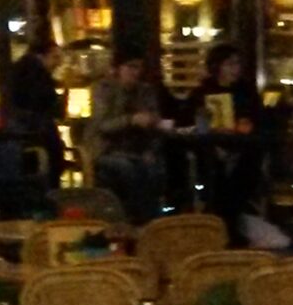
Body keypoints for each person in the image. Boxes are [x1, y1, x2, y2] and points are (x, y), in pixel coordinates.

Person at [185, 43, 266, 235]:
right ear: (217, 66)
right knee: (213, 169)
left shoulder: (246, 92)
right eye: (230, 64)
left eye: (237, 64)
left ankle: (227, 225)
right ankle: (225, 225)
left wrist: (244, 127)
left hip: (242, 148)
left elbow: (259, 120)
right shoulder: (202, 92)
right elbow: (190, 123)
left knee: (245, 167)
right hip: (210, 148)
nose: (235, 69)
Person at [86, 48, 166, 218]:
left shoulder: (145, 91)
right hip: (107, 149)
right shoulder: (104, 89)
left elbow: (155, 119)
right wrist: (130, 120)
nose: (135, 72)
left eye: (139, 67)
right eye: (131, 67)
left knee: (154, 168)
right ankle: (135, 218)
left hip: (137, 149)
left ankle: (151, 219)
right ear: (118, 68)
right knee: (128, 169)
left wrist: (151, 125)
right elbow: (103, 125)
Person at [0, 35, 65, 189]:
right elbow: (48, 104)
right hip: (34, 129)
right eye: (55, 57)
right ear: (42, 55)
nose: (58, 63)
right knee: (54, 157)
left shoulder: (19, 67)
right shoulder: (38, 73)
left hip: (19, 128)